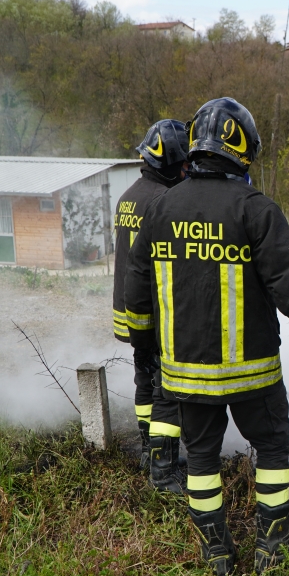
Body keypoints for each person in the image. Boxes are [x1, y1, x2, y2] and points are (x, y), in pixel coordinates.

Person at [125, 97, 289, 576]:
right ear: (242, 148)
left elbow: (137, 287)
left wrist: (146, 350)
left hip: (185, 374)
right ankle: (273, 547)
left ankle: (217, 554)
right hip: (254, 375)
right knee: (270, 450)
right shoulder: (255, 209)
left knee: (201, 459)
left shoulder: (161, 208)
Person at [112, 118, 189, 493]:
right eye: (185, 164)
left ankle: (146, 448)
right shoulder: (163, 201)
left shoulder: (129, 196)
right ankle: (164, 465)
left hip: (129, 312)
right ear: (173, 162)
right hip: (156, 315)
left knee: (144, 381)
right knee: (166, 392)